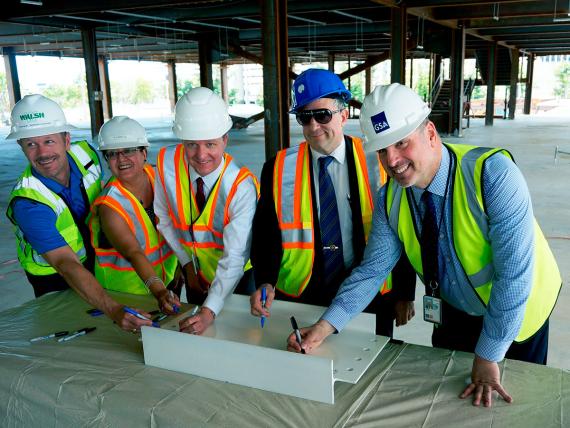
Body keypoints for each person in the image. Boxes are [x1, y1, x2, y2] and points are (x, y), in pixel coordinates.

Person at [287, 83, 562, 408]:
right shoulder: (391, 198)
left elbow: (514, 278)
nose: (392, 160)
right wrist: (325, 326)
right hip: (454, 310)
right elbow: (371, 272)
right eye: (382, 149)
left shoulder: (492, 175)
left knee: (512, 408)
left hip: (518, 313)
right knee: (448, 404)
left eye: (401, 142)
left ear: (430, 133)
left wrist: (489, 353)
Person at [249, 68, 416, 336]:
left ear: (343, 114)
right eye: (305, 118)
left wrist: (404, 292)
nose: (314, 126)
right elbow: (266, 232)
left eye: (322, 115)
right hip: (302, 291)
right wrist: (265, 280)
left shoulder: (380, 161)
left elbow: (403, 228)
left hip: (371, 290)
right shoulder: (278, 168)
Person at [6, 94, 154, 331]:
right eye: (31, 144)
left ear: (66, 140)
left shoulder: (87, 154)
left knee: (104, 319)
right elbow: (65, 263)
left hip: (94, 254)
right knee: (70, 327)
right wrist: (114, 310)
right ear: (21, 146)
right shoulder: (29, 203)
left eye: (49, 141)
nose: (42, 153)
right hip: (52, 275)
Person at [155, 87, 259, 335]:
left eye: (210, 144)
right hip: (194, 272)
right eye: (192, 145)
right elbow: (164, 218)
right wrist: (187, 266)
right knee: (198, 337)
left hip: (238, 278)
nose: (201, 155)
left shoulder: (241, 186)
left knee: (239, 336)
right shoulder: (166, 163)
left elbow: (235, 256)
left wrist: (210, 308)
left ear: (225, 139)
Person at [88, 116, 180, 314]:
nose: (121, 159)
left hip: (165, 282)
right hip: (125, 295)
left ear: (144, 152)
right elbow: (133, 252)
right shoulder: (110, 205)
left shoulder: (161, 179)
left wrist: (181, 270)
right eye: (112, 154)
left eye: (129, 150)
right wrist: (160, 292)